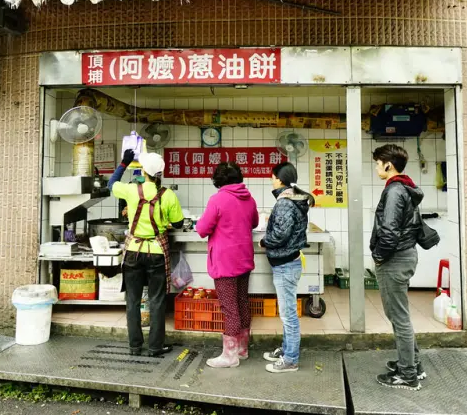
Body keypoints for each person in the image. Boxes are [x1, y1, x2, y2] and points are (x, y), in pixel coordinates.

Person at [109, 149, 184, 357]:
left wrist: (124, 163)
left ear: (144, 170)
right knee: (157, 300)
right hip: (157, 252)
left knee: (132, 300)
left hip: (133, 251)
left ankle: (134, 346)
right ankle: (155, 347)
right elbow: (178, 222)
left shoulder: (132, 190)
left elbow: (110, 184)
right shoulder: (168, 195)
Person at [370, 144, 426, 391]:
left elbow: (390, 232)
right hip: (405, 255)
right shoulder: (406, 187)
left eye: (377, 162)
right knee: (399, 314)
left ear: (388, 165)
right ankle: (412, 364)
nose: (375, 167)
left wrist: (379, 257)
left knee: (399, 316)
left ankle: (407, 374)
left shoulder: (394, 191)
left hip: (395, 258)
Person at [196, 162, 258, 368]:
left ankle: (229, 356)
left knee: (229, 308)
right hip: (244, 258)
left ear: (218, 180)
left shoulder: (218, 199)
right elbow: (255, 222)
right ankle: (242, 348)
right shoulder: (249, 198)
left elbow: (202, 229)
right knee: (242, 302)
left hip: (225, 262)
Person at [260, 162, 314, 374]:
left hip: (285, 264)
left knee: (288, 314)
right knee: (286, 311)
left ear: (279, 179)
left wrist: (265, 241)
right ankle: (286, 350)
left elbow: (281, 234)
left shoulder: (284, 202)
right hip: (289, 261)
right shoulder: (295, 198)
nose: (271, 180)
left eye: (273, 177)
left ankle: (291, 359)